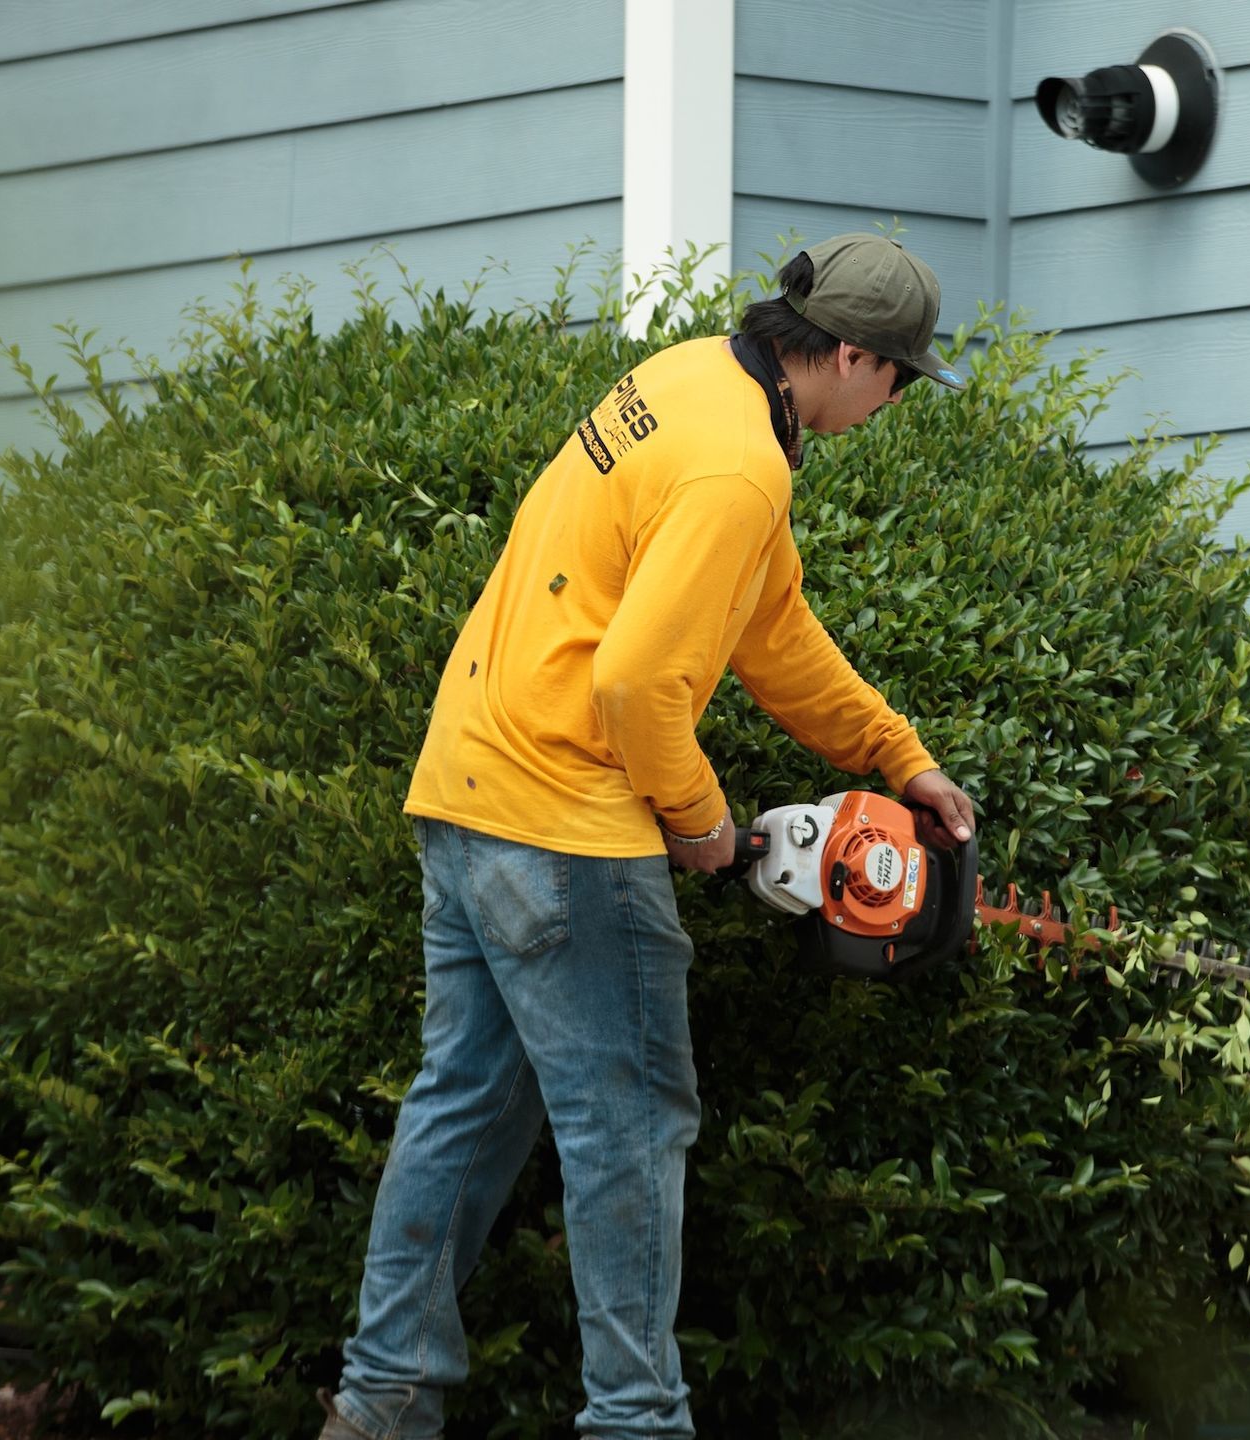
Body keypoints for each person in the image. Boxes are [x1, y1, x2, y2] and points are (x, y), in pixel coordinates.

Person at [318, 233, 978, 1440]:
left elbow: (772, 630)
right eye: (897, 377)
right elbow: (632, 687)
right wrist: (704, 824)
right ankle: (638, 1422)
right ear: (846, 356)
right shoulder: (740, 468)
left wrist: (898, 754)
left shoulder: (690, 382)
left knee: (464, 1105)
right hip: (565, 824)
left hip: (469, 793)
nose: (895, 400)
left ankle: (379, 1407)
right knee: (630, 1129)